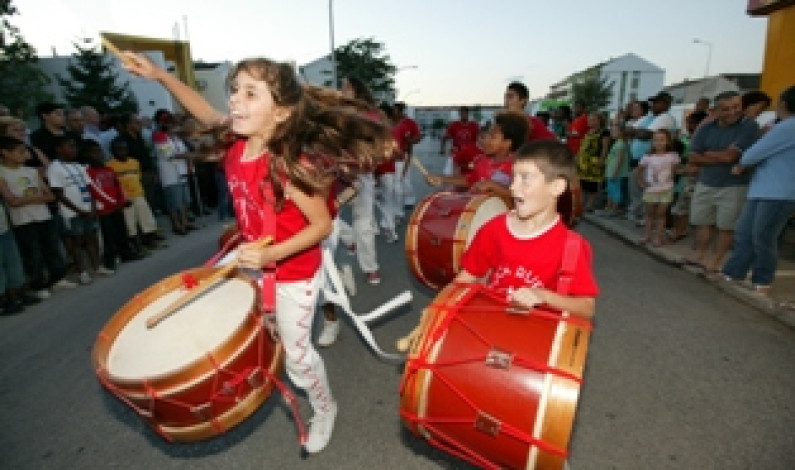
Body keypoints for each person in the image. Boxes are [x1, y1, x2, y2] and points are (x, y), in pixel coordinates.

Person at [122, 51, 393, 454]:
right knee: (235, 323)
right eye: (234, 91)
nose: (234, 101)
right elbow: (206, 113)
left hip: (295, 270)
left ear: (281, 112)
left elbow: (320, 227)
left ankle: (324, 407)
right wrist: (160, 75)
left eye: (251, 94)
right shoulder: (236, 141)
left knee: (298, 357)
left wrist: (272, 256)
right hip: (253, 259)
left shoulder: (290, 162)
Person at [454, 140, 598, 319]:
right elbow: (465, 278)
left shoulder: (573, 246)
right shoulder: (495, 228)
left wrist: (543, 296)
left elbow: (586, 308)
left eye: (525, 178)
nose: (513, 187)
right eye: (514, 178)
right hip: (490, 327)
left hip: (537, 337)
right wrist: (437, 314)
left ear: (556, 187)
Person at [317, 75, 385, 346]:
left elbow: (378, 147)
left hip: (363, 176)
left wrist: (362, 165)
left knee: (364, 223)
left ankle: (369, 267)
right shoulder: (335, 115)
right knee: (327, 222)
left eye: (346, 85)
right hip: (336, 176)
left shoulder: (371, 115)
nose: (341, 89)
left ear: (356, 89)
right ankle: (346, 253)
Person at [721, 85, 795, 295]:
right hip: (767, 189)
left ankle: (762, 280)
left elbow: (751, 155)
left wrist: (744, 162)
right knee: (746, 232)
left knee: (762, 237)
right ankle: (734, 272)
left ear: (783, 104)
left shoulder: (787, 127)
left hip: (778, 192)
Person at [685, 91, 760, 274]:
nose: (733, 112)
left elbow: (731, 156)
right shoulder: (706, 128)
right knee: (702, 221)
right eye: (726, 109)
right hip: (707, 182)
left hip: (734, 185)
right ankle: (701, 257)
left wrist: (709, 154)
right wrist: (719, 156)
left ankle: (716, 262)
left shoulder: (749, 126)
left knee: (726, 226)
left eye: (736, 107)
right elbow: (693, 157)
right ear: (716, 111)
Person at [0, 136, 77, 299]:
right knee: (32, 253)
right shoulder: (2, 173)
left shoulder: (32, 171)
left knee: (51, 248)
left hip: (43, 215)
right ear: (5, 153)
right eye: (20, 151)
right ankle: (38, 284)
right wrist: (36, 198)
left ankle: (57, 278)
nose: (24, 154)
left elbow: (50, 195)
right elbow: (12, 200)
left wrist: (26, 200)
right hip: (22, 220)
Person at [425, 111, 528, 203]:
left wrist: (494, 186)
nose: (485, 140)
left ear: (507, 143)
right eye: (488, 135)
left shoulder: (519, 166)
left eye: (492, 136)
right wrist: (441, 178)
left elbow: (523, 196)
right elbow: (470, 180)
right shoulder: (482, 160)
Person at [47, 135, 107, 284]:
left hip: (87, 208)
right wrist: (79, 210)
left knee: (91, 238)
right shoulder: (55, 168)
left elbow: (88, 186)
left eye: (74, 146)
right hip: (72, 212)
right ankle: (82, 272)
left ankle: (97, 266)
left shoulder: (79, 166)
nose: (74, 149)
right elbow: (58, 194)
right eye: (69, 146)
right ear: (58, 149)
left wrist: (92, 207)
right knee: (76, 242)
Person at [84, 139, 141, 271]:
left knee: (121, 231)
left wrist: (121, 200)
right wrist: (113, 202)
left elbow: (118, 186)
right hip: (104, 209)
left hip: (117, 207)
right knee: (107, 236)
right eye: (94, 153)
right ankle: (109, 259)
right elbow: (95, 190)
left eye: (99, 152)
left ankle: (126, 253)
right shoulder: (89, 171)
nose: (98, 155)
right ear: (87, 155)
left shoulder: (108, 169)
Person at [106, 137, 163, 253]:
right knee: (129, 223)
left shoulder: (135, 162)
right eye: (119, 149)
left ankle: (150, 241)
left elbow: (138, 177)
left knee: (146, 219)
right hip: (124, 199)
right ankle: (136, 246)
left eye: (124, 149)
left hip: (138, 194)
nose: (122, 151)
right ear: (113, 151)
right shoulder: (109, 166)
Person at [152, 109, 196, 235]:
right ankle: (176, 224)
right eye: (170, 123)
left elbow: (182, 149)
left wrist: (188, 157)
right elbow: (169, 154)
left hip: (181, 170)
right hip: (169, 173)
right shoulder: (160, 136)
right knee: (174, 200)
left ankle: (185, 221)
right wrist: (189, 156)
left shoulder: (176, 136)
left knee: (184, 199)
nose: (173, 126)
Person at [669, 110, 709, 242]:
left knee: (687, 207)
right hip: (688, 177)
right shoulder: (688, 138)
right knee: (682, 206)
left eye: (692, 123)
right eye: (688, 123)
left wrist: (684, 169)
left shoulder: (703, 139)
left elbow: (698, 161)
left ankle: (683, 232)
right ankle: (679, 231)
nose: (688, 126)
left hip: (696, 177)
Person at [636, 130, 680, 246]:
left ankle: (658, 237)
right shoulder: (648, 156)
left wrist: (672, 180)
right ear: (652, 142)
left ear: (667, 141)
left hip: (666, 189)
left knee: (661, 214)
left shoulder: (672, 156)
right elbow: (639, 170)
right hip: (651, 190)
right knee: (650, 214)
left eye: (662, 140)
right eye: (656, 140)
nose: (659, 142)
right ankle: (646, 235)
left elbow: (675, 171)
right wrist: (641, 182)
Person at [575, 112, 610, 212]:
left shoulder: (604, 132)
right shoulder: (588, 132)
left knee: (592, 186)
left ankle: (590, 205)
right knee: (582, 184)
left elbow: (605, 147)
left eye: (593, 120)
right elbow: (582, 147)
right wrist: (577, 157)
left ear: (599, 121)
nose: (590, 122)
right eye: (589, 120)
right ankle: (582, 204)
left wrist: (602, 159)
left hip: (594, 162)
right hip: (583, 162)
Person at [392, 102, 421, 211]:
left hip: (406, 154)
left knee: (405, 178)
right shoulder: (391, 121)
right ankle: (398, 200)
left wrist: (408, 141)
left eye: (395, 110)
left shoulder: (410, 122)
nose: (393, 112)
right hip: (393, 155)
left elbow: (418, 137)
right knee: (397, 179)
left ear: (400, 110)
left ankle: (409, 200)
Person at [597, 123, 629, 217]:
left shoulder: (621, 144)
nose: (612, 133)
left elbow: (619, 160)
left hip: (615, 173)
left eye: (615, 131)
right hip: (610, 172)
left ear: (621, 132)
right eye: (611, 131)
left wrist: (615, 172)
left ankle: (614, 209)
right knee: (610, 191)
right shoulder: (617, 143)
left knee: (615, 191)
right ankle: (608, 208)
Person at [440, 106, 479, 176]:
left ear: (468, 114)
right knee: (451, 174)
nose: (463, 115)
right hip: (455, 154)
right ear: (459, 114)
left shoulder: (474, 125)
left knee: (470, 173)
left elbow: (480, 139)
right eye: (462, 113)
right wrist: (442, 149)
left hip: (470, 156)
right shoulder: (454, 125)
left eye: (465, 113)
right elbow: (444, 138)